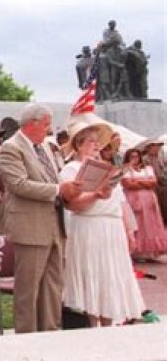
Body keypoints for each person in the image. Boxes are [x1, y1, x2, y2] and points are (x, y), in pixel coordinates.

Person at [0, 103, 85, 333]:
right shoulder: (11, 147)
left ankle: (50, 332)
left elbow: (52, 178)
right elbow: (18, 185)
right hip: (30, 227)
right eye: (46, 124)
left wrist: (70, 192)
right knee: (29, 288)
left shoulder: (45, 147)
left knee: (53, 285)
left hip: (54, 225)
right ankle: (26, 336)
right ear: (32, 124)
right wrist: (59, 190)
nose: (49, 129)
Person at [60, 124, 144, 325]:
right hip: (90, 227)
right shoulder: (71, 169)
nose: (96, 145)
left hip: (112, 229)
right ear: (79, 145)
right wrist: (96, 195)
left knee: (111, 276)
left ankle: (109, 321)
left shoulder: (108, 168)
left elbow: (120, 201)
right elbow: (73, 204)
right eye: (91, 140)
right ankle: (92, 322)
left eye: (98, 141)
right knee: (92, 274)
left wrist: (129, 230)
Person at [122, 146, 167, 259]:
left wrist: (137, 181)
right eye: (132, 156)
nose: (135, 158)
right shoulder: (126, 170)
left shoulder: (147, 168)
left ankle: (151, 252)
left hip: (149, 199)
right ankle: (137, 251)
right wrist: (145, 182)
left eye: (137, 156)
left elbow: (154, 182)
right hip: (134, 199)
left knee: (151, 224)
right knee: (138, 223)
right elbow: (128, 184)